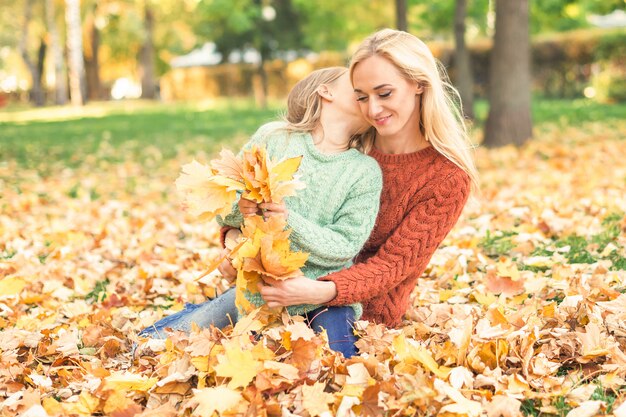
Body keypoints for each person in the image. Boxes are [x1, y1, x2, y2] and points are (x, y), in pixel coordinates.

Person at [139, 67, 383, 358]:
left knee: (337, 360)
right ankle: (194, 318)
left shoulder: (364, 171)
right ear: (325, 91)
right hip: (260, 291)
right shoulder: (275, 139)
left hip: (322, 296)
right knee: (166, 341)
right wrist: (240, 210)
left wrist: (288, 221)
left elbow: (346, 243)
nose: (364, 90)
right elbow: (227, 202)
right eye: (355, 84)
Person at [250, 29, 479, 335]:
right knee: (188, 330)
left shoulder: (447, 178)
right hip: (282, 286)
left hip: (361, 316)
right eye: (361, 97)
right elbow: (271, 205)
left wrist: (317, 291)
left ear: (419, 85)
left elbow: (392, 265)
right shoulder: (348, 146)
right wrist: (231, 239)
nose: (373, 110)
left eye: (385, 94)